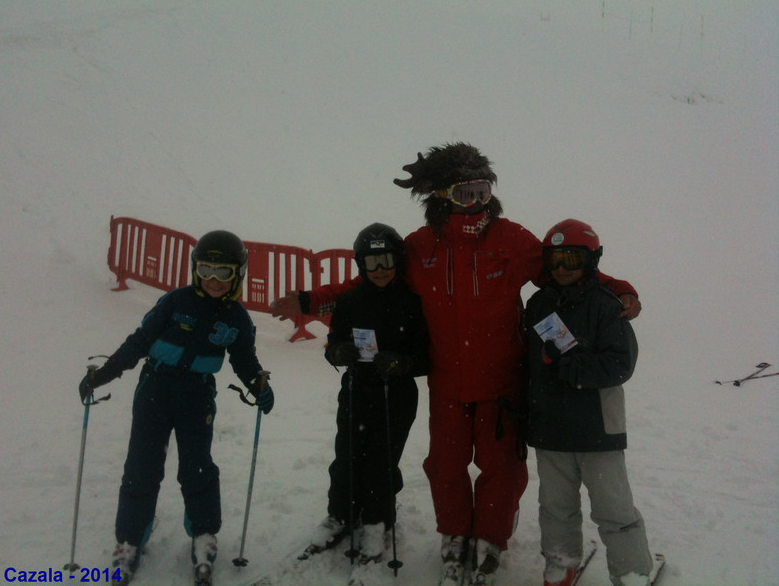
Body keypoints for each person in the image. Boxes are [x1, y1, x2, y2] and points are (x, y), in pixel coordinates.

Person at [270, 143, 641, 586]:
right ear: (442, 196)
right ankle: (453, 537)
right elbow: (365, 283)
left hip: (503, 382)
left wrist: (618, 287)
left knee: (500, 467)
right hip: (447, 381)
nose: (476, 203)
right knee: (444, 466)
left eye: (483, 191)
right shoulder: (420, 247)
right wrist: (312, 300)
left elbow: (567, 269)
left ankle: (489, 539)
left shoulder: (511, 239)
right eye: (465, 194)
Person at [77, 230, 275, 586]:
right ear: (195, 269)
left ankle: (203, 535)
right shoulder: (175, 301)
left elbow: (244, 359)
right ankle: (130, 539)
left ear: (238, 275)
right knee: (143, 463)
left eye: (223, 272)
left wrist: (257, 383)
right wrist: (107, 372)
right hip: (156, 386)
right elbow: (140, 340)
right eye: (207, 270)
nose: (213, 280)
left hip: (197, 394)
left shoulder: (237, 318)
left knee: (198, 465)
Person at [525, 219, 652, 586]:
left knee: (613, 507)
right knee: (556, 507)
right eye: (554, 259)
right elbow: (527, 362)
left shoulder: (605, 305)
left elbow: (621, 363)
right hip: (550, 425)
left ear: (591, 260)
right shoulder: (538, 303)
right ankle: (561, 561)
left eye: (572, 259)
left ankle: (631, 570)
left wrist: (572, 366)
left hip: (598, 427)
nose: (561, 268)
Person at [302, 223, 430, 581]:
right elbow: (335, 339)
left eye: (386, 260)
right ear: (361, 264)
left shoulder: (411, 302)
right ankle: (341, 513)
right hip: (358, 389)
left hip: (396, 394)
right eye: (372, 262)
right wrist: (337, 352)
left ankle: (377, 519)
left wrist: (404, 363)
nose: (380, 270)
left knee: (382, 458)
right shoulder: (351, 300)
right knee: (348, 452)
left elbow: (427, 354)